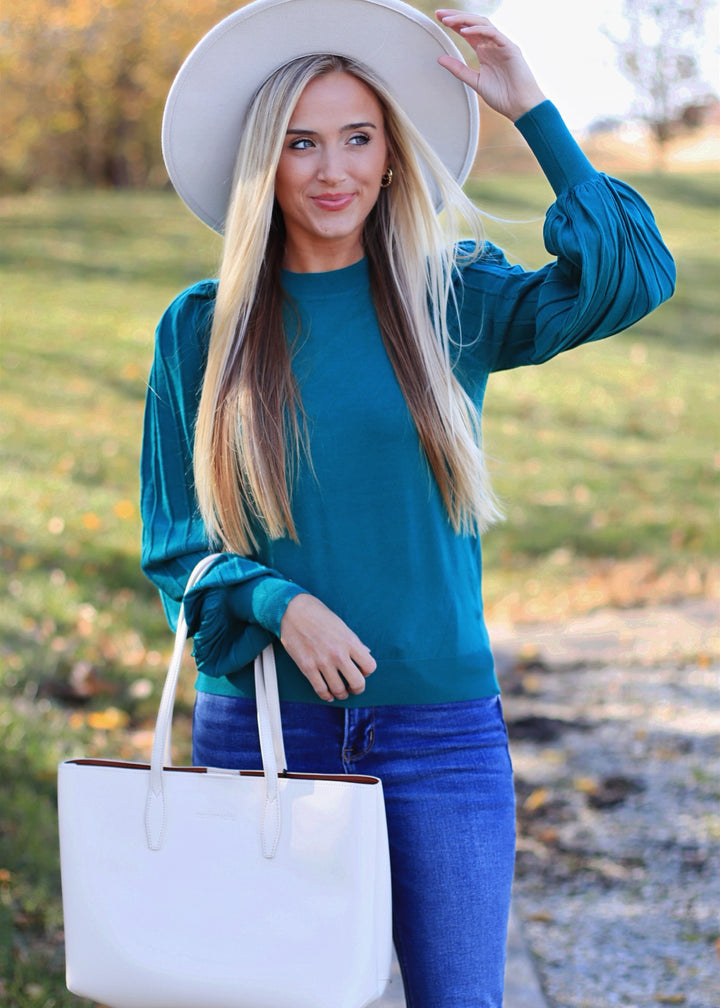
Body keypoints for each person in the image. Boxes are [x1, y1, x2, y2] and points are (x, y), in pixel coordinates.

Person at [141, 2, 675, 1004]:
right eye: (301, 142)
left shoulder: (451, 300)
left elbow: (635, 275)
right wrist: (276, 603)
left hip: (439, 731)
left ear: (391, 156)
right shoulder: (201, 329)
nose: (331, 167)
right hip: (266, 731)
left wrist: (532, 109)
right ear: (268, 161)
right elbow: (175, 544)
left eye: (358, 137)